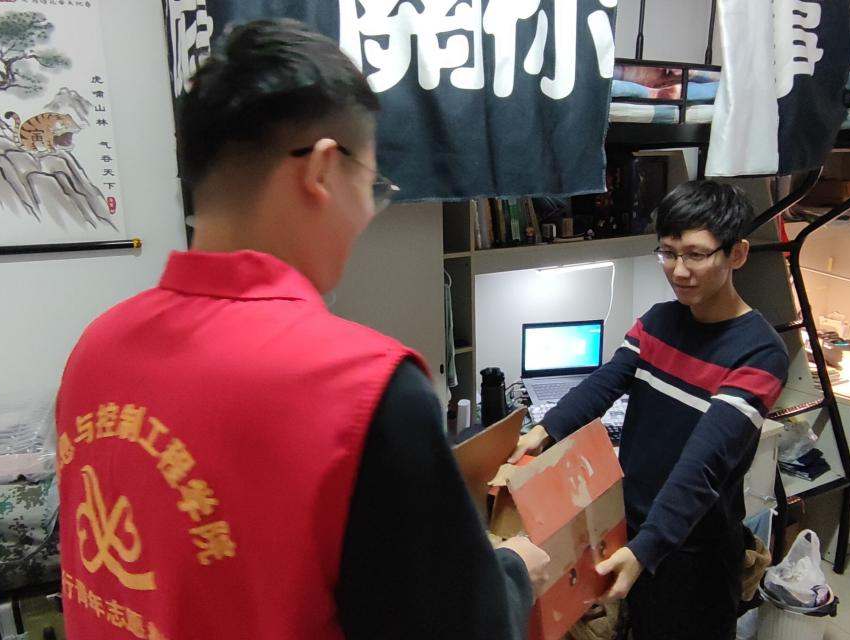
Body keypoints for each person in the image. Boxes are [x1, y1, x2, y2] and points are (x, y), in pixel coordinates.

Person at [54, 19, 548, 640]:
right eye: (371, 185)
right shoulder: (364, 388)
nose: (367, 213)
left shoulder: (95, 349)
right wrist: (513, 574)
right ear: (321, 170)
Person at [512, 180, 789, 640]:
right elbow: (607, 381)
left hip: (693, 545)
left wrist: (648, 547)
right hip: (632, 528)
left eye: (696, 254)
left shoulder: (759, 353)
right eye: (668, 253)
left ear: (737, 254)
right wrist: (544, 432)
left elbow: (704, 462)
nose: (679, 270)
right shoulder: (658, 321)